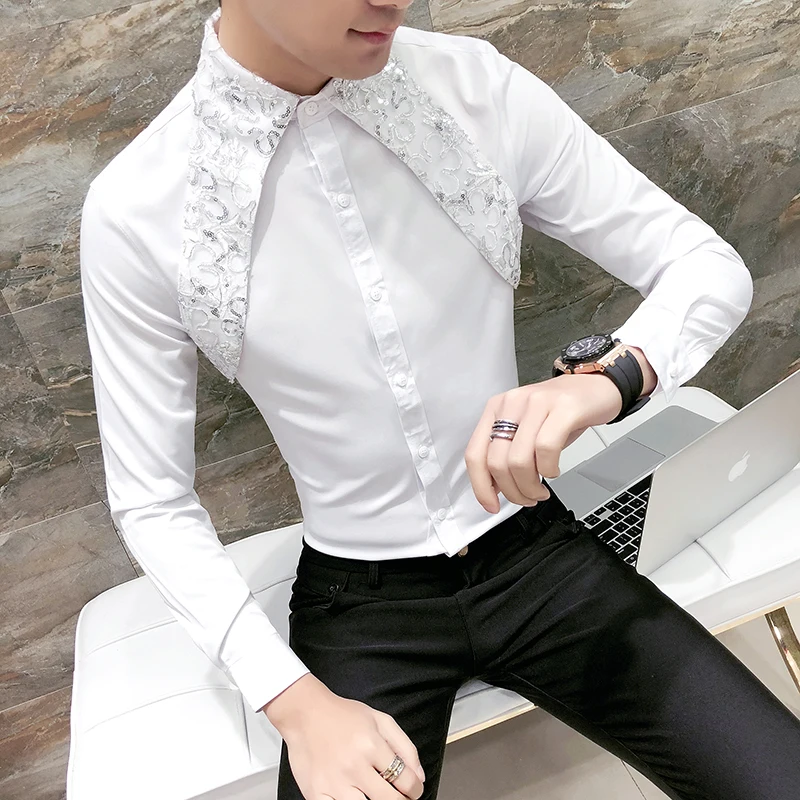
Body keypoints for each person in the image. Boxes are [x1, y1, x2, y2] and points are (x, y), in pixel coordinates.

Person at [78, 1, 800, 799]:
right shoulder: (137, 208)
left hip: (537, 551)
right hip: (360, 612)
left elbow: (704, 265)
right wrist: (297, 706)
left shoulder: (473, 86)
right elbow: (152, 502)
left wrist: (605, 382)